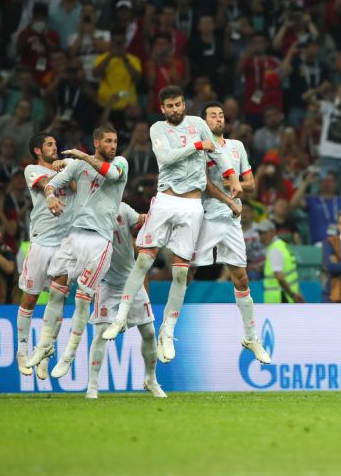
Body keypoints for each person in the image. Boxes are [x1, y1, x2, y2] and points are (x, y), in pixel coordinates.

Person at [102, 87, 239, 364]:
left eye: (178, 104)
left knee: (180, 273)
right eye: (170, 106)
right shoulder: (157, 129)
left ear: (184, 104)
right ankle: (121, 316)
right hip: (165, 201)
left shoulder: (198, 124)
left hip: (192, 206)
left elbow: (218, 152)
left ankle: (168, 330)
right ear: (162, 108)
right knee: (142, 261)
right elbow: (165, 158)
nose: (175, 109)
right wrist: (197, 146)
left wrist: (231, 175)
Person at [25, 125, 128, 371]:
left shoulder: (121, 163)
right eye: (108, 142)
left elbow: (111, 175)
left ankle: (69, 354)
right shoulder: (77, 166)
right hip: (74, 236)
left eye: (115, 141)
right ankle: (45, 345)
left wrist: (82, 156)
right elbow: (52, 184)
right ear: (96, 142)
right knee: (57, 290)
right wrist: (50, 197)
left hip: (100, 241)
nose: (113, 146)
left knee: (83, 298)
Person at [188, 101, 270, 363]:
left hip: (231, 222)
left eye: (221, 115)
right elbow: (203, 183)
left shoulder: (236, 147)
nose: (218, 118)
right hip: (205, 216)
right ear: (203, 122)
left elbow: (251, 183)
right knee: (185, 271)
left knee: (242, 279)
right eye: (212, 115)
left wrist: (236, 184)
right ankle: (166, 329)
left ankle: (250, 337)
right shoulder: (201, 149)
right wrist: (229, 198)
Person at [82, 202, 164, 398]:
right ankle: (92, 386)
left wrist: (152, 216)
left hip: (131, 281)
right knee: (101, 333)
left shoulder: (124, 209)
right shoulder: (88, 211)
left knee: (149, 332)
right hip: (106, 282)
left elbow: (140, 222)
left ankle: (151, 380)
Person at [14, 132, 74, 378]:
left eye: (55, 144)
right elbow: (43, 185)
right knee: (30, 299)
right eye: (49, 144)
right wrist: (61, 175)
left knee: (57, 302)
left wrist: (68, 167)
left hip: (64, 245)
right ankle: (22, 350)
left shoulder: (66, 167)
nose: (54, 147)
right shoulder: (31, 169)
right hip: (40, 243)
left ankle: (45, 350)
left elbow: (75, 185)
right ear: (38, 150)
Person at [259, 219, 304, 303]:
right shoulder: (281, 245)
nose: (262, 237)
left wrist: (292, 295)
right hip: (285, 295)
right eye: (260, 233)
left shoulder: (274, 249)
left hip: (280, 297)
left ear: (273, 232)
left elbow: (279, 276)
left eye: (264, 233)